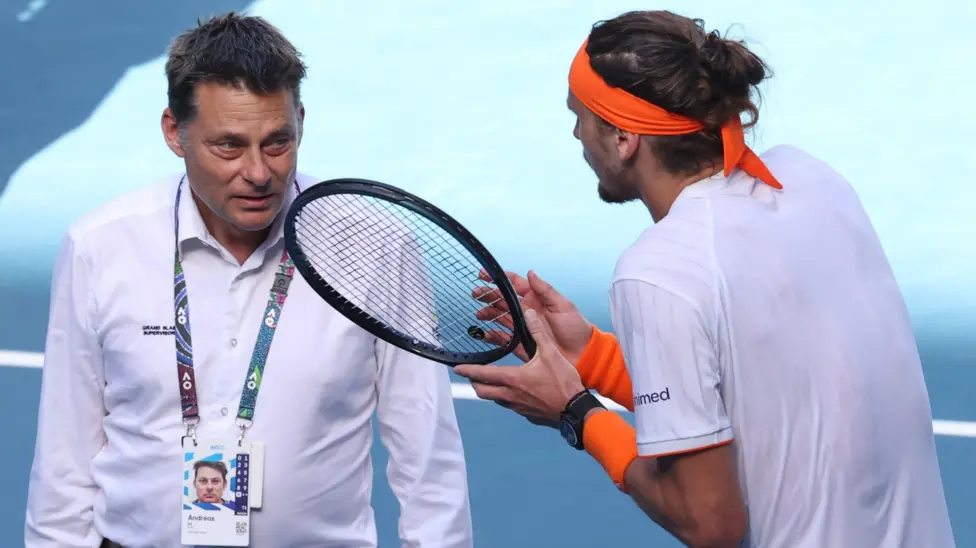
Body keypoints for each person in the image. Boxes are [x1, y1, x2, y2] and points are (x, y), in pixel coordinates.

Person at [454, 9, 956, 548]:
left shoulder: (658, 272)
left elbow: (709, 522)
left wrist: (576, 412)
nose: (576, 133)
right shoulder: (811, 180)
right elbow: (760, 400)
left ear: (623, 138)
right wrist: (592, 359)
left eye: (581, 116)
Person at [24, 12, 473, 548]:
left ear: (300, 122)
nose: (259, 173)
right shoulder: (99, 247)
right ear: (174, 132)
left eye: (277, 142)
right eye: (229, 146)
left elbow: (428, 461)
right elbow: (64, 460)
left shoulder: (375, 246)